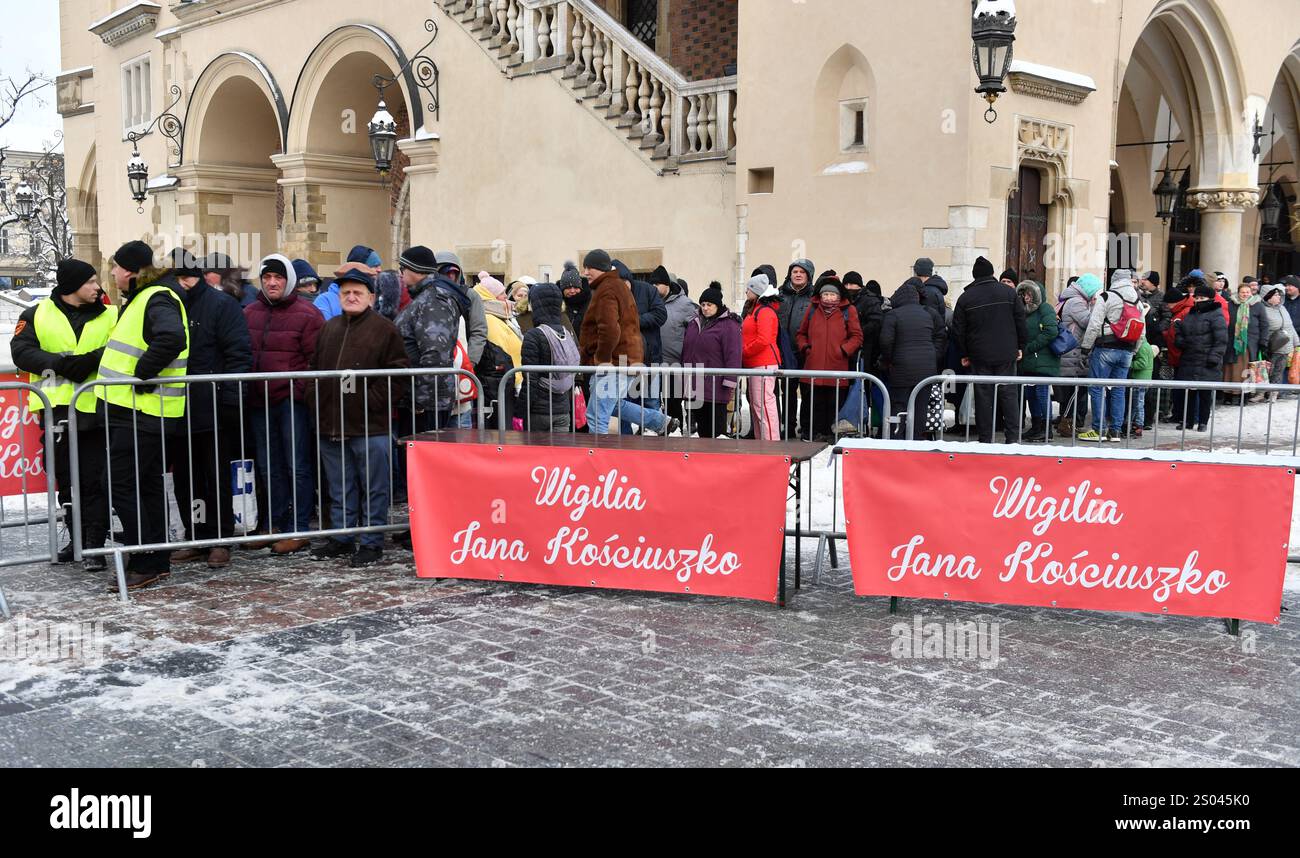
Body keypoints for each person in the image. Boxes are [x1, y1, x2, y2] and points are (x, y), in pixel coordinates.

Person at [10, 257, 116, 571]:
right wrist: (61, 364)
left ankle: (95, 545)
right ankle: (78, 540)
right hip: (56, 410)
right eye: (91, 282)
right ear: (72, 287)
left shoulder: (112, 315)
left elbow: (123, 347)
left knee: (94, 477)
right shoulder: (36, 314)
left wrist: (90, 361)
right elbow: (21, 351)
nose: (97, 287)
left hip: (96, 407)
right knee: (66, 478)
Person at [96, 242, 190, 590]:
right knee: (146, 485)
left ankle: (143, 559)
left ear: (133, 271)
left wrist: (142, 374)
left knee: (119, 483)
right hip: (140, 410)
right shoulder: (147, 298)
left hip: (140, 410)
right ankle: (155, 560)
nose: (114, 275)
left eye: (117, 268)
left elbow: (171, 338)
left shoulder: (156, 297)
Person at [310, 269, 409, 567]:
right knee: (340, 485)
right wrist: (315, 401)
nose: (351, 297)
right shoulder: (329, 328)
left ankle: (371, 541)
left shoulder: (385, 329)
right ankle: (342, 536)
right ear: (338, 297)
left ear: (371, 297)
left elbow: (398, 374)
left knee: (374, 486)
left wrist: (371, 402)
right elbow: (314, 369)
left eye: (357, 293)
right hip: (331, 422)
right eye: (346, 293)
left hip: (370, 425)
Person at [165, 248, 252, 571]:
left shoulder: (221, 305)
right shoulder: (168, 303)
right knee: (186, 479)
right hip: (177, 407)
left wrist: (231, 399)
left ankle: (219, 538)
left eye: (186, 276)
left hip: (213, 406)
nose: (182, 283)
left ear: (197, 276)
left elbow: (238, 355)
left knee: (215, 476)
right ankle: (195, 535)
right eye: (177, 277)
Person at [244, 253, 324, 554]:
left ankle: (299, 526)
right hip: (259, 399)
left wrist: (299, 388)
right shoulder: (250, 312)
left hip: (292, 399)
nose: (272, 283)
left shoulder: (308, 314)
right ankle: (272, 523)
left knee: (297, 465)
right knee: (268, 466)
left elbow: (315, 359)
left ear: (288, 280)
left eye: (277, 277)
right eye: (267, 278)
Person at [578, 250, 677, 435]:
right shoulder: (614, 287)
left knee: (596, 415)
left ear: (600, 269)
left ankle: (598, 459)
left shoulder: (607, 290)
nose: (585, 272)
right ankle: (659, 421)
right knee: (613, 405)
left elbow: (610, 329)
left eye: (589, 267)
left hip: (613, 363)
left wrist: (602, 359)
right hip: (623, 361)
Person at [953, 256, 1027, 444]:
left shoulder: (965, 298)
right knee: (1009, 395)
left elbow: (958, 330)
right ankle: (1012, 438)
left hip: (979, 355)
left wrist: (964, 353)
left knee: (983, 397)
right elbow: (1020, 321)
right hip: (1006, 352)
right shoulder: (1009, 294)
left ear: (974, 275)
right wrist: (1020, 346)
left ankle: (985, 439)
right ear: (992, 273)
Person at [395, 245, 468, 430]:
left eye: (402, 269)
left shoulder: (433, 301)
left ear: (415, 270)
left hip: (426, 405)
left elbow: (435, 354)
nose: (401, 275)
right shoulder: (425, 298)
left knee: (418, 456)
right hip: (420, 400)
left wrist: (420, 402)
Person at [1077, 269, 1145, 442]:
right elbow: (1142, 331)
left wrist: (1086, 347)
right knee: (1119, 390)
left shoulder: (1107, 296)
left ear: (1113, 280)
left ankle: (1098, 429)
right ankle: (1115, 431)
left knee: (1097, 388)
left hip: (1106, 348)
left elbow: (1094, 324)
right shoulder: (1138, 300)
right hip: (1127, 350)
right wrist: (1134, 350)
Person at [795, 275, 863, 440]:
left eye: (832, 295)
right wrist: (806, 348)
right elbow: (801, 334)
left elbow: (857, 336)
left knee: (834, 404)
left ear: (839, 296)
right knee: (814, 404)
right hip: (814, 367)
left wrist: (843, 350)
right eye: (825, 294)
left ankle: (832, 434)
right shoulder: (812, 309)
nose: (828, 297)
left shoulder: (849, 310)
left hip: (837, 367)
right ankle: (813, 433)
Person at [878, 280, 946, 439]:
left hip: (901, 368)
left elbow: (885, 341)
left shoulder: (893, 315)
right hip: (927, 369)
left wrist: (890, 359)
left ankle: (896, 440)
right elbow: (941, 337)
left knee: (899, 405)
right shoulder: (930, 313)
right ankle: (915, 440)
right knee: (920, 406)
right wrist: (933, 355)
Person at [681, 282, 742, 438]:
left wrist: (730, 381)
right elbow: (687, 351)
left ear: (718, 305)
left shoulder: (728, 325)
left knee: (716, 431)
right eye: (703, 304)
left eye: (709, 304)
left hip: (716, 386)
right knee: (702, 429)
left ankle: (717, 461)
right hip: (696, 384)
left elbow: (733, 354)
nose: (705, 308)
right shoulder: (694, 323)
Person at [515, 282, 579, 431]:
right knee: (561, 453)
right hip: (563, 410)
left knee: (537, 454)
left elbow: (530, 380)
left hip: (539, 412)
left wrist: (520, 413)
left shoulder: (534, 335)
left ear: (535, 305)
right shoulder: (566, 332)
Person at [1172, 281, 1228, 431]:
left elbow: (1221, 340)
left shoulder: (1217, 315)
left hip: (1207, 360)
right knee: (1188, 392)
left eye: (1202, 299)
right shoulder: (1191, 314)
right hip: (1189, 358)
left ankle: (1203, 421)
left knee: (1205, 394)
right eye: (1196, 298)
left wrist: (1214, 357)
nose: (1198, 301)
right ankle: (1187, 421)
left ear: (1210, 299)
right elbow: (1182, 334)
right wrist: (1179, 338)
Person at [473, 272, 524, 424]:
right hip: (499, 383)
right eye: (501, 294)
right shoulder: (489, 318)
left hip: (507, 380)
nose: (505, 298)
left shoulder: (500, 315)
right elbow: (500, 351)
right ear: (491, 296)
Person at [1054, 273, 1099, 434]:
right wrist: (1096, 307)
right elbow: (1090, 322)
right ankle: (1065, 424)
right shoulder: (1076, 302)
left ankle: (1066, 423)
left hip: (1070, 352)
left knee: (1072, 391)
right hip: (1073, 353)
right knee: (1074, 391)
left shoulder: (1070, 300)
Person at [1016, 281, 1059, 442]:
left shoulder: (1045, 308)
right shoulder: (1024, 311)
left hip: (1043, 360)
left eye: (1029, 294)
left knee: (1041, 393)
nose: (1026, 297)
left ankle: (1046, 429)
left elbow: (1050, 331)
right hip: (1029, 362)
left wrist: (1029, 347)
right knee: (1030, 394)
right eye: (1024, 294)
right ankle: (1036, 427)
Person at [741, 273, 783, 441]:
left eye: (749, 289)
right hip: (756, 363)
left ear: (757, 291)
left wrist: (744, 351)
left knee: (764, 404)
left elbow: (764, 339)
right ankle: (762, 442)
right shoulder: (757, 309)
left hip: (763, 363)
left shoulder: (764, 311)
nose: (746, 292)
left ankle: (771, 443)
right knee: (758, 405)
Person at [655, 266, 698, 425]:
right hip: (658, 361)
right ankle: (668, 428)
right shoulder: (654, 301)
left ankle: (680, 428)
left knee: (674, 401)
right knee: (661, 400)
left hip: (677, 362)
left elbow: (695, 331)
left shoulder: (685, 304)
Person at [778, 259, 816, 438]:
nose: (798, 274)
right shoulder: (780, 295)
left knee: (807, 390)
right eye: (795, 271)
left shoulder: (814, 296)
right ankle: (789, 426)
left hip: (806, 350)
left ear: (809, 275)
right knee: (788, 390)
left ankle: (807, 426)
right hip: (785, 350)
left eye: (802, 272)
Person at [1248, 285, 1299, 400]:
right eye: (1276, 295)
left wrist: (1297, 343)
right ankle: (1261, 393)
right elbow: (1260, 327)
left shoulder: (1283, 308)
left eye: (1279, 295)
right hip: (1270, 345)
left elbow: (1290, 327)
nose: (1279, 298)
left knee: (1278, 371)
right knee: (1264, 370)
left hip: (1285, 346)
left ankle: (1273, 393)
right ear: (1268, 296)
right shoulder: (1262, 309)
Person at [316, 246, 380, 321]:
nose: (379, 270)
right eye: (375, 266)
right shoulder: (325, 300)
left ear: (371, 298)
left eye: (358, 293)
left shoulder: (379, 297)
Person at [1223, 282, 1259, 388]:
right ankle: (1229, 393)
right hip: (1232, 342)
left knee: (1246, 369)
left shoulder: (1257, 305)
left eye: (1247, 292)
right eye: (1242, 292)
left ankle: (1244, 394)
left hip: (1249, 343)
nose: (1245, 294)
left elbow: (1264, 324)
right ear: (1238, 293)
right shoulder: (1230, 304)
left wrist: (1263, 341)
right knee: (1231, 369)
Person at [559, 261, 588, 334]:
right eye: (568, 288)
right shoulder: (558, 304)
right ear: (562, 289)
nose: (572, 291)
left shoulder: (589, 302)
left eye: (576, 287)